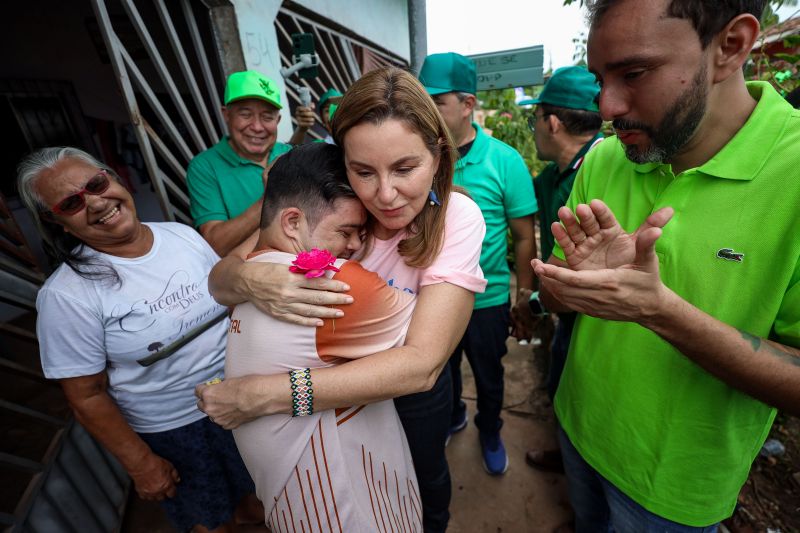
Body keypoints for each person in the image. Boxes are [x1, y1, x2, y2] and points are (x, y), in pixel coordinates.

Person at [530, 0, 800, 530]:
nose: (607, 107)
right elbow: (559, 296)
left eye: (634, 73)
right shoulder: (606, 158)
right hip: (579, 425)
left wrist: (659, 312)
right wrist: (572, 284)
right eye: (600, 80)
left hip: (673, 486)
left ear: (731, 46)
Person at [196, 67, 488, 533]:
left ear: (437, 153)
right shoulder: (340, 200)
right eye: (364, 171)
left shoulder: (457, 217)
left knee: (426, 481)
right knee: (367, 485)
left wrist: (266, 395)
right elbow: (219, 279)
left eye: (405, 169)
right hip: (335, 382)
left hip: (408, 395)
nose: (385, 195)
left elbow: (421, 365)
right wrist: (253, 279)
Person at [18, 147, 265, 533]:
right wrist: (140, 463)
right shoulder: (66, 296)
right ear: (57, 222)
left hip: (242, 398)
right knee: (213, 523)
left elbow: (229, 307)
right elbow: (86, 396)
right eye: (71, 203)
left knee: (261, 502)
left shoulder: (181, 236)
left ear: (114, 178)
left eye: (96, 184)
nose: (96, 202)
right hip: (178, 431)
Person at [224, 142, 423, 531]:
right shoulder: (330, 282)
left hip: (294, 503)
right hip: (344, 508)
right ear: (292, 222)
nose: (355, 246)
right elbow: (433, 343)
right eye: (346, 231)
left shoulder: (249, 277)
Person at [418, 52, 537, 474]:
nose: (427, 110)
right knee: (440, 369)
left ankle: (490, 430)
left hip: (486, 301)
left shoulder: (504, 160)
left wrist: (525, 296)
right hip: (432, 298)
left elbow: (524, 236)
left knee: (489, 374)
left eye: (437, 101)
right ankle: (453, 416)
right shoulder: (421, 159)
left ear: (467, 104)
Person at [514, 66, 603, 473]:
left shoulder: (601, 173)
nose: (534, 129)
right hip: (562, 306)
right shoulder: (554, 177)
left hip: (594, 314)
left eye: (535, 118)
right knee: (561, 384)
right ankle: (566, 453)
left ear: (552, 122)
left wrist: (532, 303)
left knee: (584, 392)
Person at [187, 70, 312, 257]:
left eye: (267, 117)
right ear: (226, 115)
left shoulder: (289, 154)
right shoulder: (204, 167)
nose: (257, 127)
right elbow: (215, 245)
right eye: (245, 115)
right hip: (250, 270)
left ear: (278, 120)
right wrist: (269, 197)